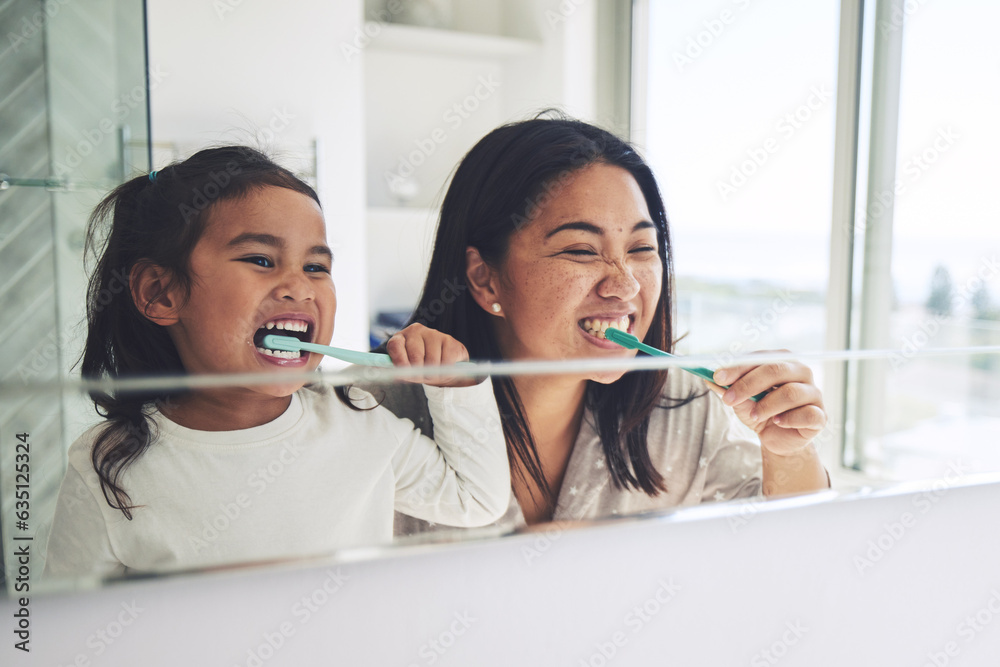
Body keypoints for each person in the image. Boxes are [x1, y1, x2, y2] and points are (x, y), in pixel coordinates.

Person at [44, 146, 509, 578]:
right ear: (160, 293)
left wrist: (454, 384)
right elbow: (62, 629)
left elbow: (476, 502)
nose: (300, 287)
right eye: (261, 259)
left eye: (316, 267)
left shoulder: (362, 423)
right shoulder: (106, 467)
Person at [372, 116, 829, 534]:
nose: (625, 285)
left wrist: (788, 449)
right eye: (581, 251)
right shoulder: (370, 416)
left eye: (642, 249)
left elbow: (793, 550)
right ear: (484, 277)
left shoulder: (684, 409)